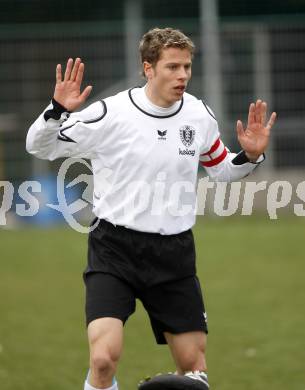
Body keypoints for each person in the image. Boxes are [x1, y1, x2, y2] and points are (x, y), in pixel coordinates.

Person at [26, 27, 276, 390]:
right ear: (148, 69)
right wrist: (57, 110)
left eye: (187, 67)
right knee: (103, 358)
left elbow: (221, 171)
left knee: (193, 369)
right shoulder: (110, 114)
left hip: (173, 254)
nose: (183, 76)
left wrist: (251, 155)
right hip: (115, 249)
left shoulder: (198, 115)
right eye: (173, 67)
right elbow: (39, 146)